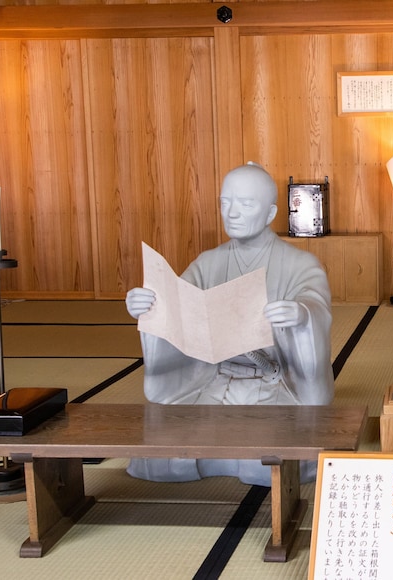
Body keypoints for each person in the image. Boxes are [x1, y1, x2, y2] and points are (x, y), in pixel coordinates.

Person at [124, 162, 334, 486]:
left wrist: (302, 315)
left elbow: (314, 304)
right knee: (157, 458)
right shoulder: (208, 263)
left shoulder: (300, 264)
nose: (232, 213)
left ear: (270, 213)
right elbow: (177, 309)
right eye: (225, 202)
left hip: (274, 386)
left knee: (275, 461)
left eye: (246, 204)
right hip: (213, 381)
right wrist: (148, 306)